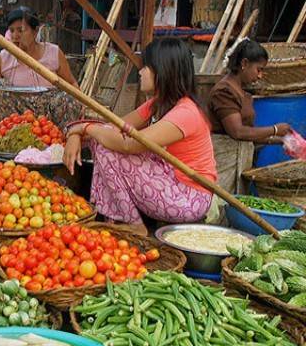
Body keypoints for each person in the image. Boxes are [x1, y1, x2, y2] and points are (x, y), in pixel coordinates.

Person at [63, 38, 216, 235]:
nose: (140, 72)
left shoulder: (186, 112)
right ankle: (116, 218)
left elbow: (130, 145)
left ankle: (133, 223)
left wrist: (84, 128)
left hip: (189, 198)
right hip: (171, 181)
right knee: (102, 139)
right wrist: (76, 133)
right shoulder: (159, 102)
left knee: (106, 146)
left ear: (163, 71)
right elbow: (115, 127)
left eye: (146, 67)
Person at [209, 39, 291, 143]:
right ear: (245, 63)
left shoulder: (242, 91)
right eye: (258, 70)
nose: (260, 76)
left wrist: (283, 141)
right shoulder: (223, 92)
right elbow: (238, 132)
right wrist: (275, 130)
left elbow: (249, 134)